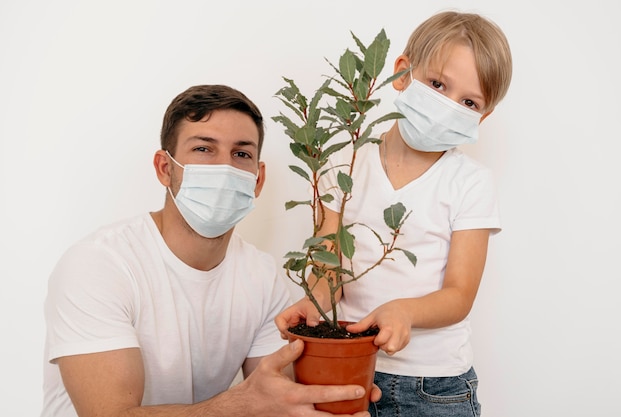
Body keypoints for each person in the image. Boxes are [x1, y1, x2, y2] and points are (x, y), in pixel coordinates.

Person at [42, 84, 379, 417]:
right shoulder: (100, 265)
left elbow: (279, 397)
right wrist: (243, 405)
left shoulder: (261, 276)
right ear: (165, 168)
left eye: (241, 154)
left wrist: (334, 390)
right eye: (204, 149)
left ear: (257, 180)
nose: (225, 167)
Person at [276, 11, 513, 417]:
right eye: (437, 84)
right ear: (402, 73)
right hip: (345, 367)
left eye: (468, 102)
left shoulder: (470, 182)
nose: (446, 105)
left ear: (481, 117)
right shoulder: (344, 165)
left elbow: (460, 294)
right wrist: (312, 303)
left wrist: (405, 310)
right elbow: (327, 267)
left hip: (436, 387)